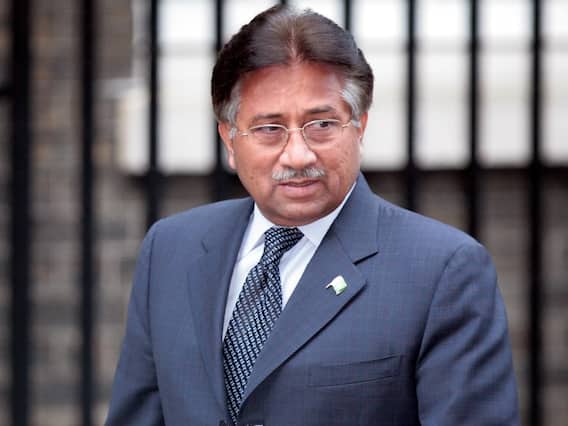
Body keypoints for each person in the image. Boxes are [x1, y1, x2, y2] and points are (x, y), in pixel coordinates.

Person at [106, 5, 519, 425]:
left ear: (359, 127)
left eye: (321, 124)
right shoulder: (171, 250)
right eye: (269, 129)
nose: (298, 155)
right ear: (229, 140)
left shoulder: (443, 271)